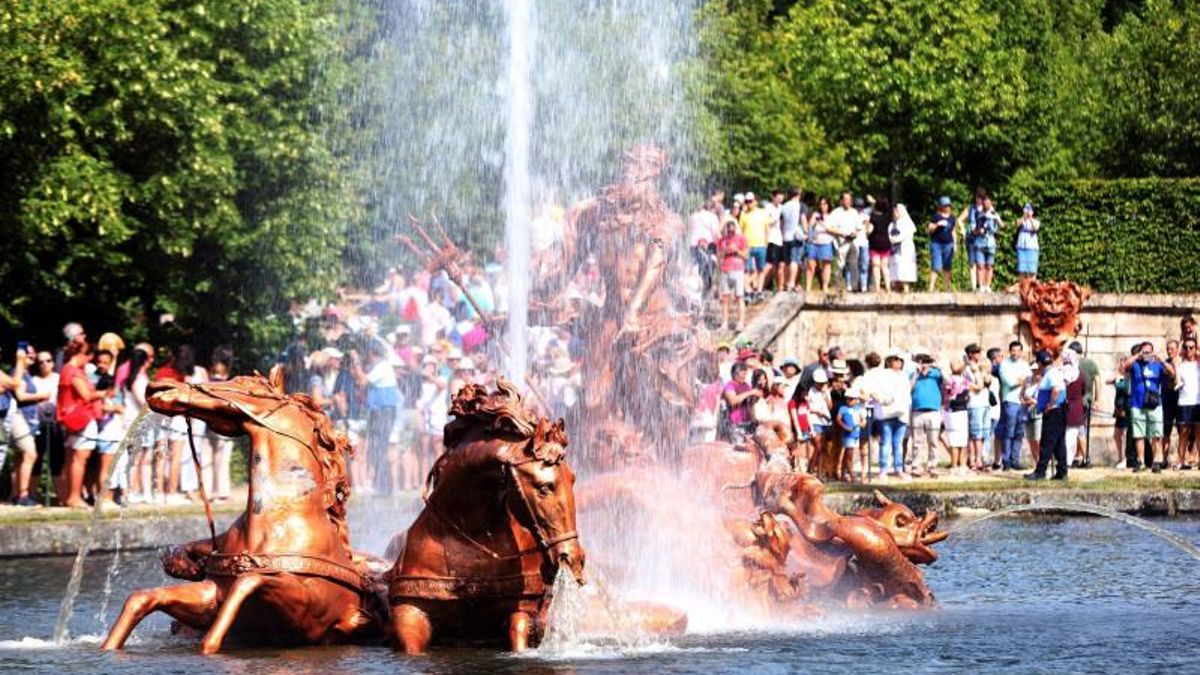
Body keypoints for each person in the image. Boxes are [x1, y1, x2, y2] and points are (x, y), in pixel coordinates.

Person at [58, 341, 107, 508]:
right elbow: (86, 395)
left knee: (70, 458)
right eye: (88, 356)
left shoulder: (64, 369)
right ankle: (74, 497)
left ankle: (65, 497)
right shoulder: (75, 372)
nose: (89, 360)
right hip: (82, 418)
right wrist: (103, 393)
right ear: (82, 354)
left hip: (70, 418)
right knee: (80, 460)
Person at [1120, 341, 1174, 473]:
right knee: (1139, 435)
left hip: (1155, 404)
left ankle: (1156, 461)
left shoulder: (1157, 364)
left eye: (1149, 352)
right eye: (1144, 351)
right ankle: (1141, 462)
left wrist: (1160, 359)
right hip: (1137, 404)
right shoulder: (1135, 364)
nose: (1146, 354)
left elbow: (1171, 372)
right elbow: (1123, 368)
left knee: (1156, 434)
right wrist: (1137, 356)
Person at [9, 344, 50, 506]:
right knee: (30, 453)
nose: (32, 355)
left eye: (34, 352)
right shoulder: (16, 372)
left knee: (21, 457)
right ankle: (23, 495)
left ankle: (15, 494)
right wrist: (42, 396)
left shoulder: (26, 373)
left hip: (27, 420)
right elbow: (20, 395)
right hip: (19, 418)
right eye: (28, 353)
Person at [1026, 350, 1069, 480]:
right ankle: (1062, 471)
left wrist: (1050, 405)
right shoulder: (1054, 372)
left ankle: (1040, 471)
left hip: (1053, 411)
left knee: (1047, 442)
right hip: (1058, 410)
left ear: (1039, 363)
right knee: (1058, 443)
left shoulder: (1051, 374)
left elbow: (1056, 390)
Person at [997, 341, 1031, 470]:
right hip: (1010, 401)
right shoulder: (1004, 365)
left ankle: (1015, 461)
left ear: (1021, 352)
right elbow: (1010, 382)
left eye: (1018, 350)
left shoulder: (1024, 364)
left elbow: (1030, 380)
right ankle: (1006, 461)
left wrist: (1022, 380)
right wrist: (1023, 380)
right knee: (1009, 431)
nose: (1015, 353)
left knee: (1019, 433)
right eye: (1013, 350)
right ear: (1009, 351)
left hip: (1023, 401)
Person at [910, 354, 944, 477]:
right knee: (917, 441)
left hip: (933, 411)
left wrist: (938, 366)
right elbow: (909, 388)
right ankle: (916, 466)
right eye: (921, 361)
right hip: (917, 411)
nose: (923, 364)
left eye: (926, 361)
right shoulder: (915, 375)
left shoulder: (936, 374)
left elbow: (948, 381)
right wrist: (916, 373)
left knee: (933, 441)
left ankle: (932, 467)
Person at [826, 192, 864, 292]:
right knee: (840, 265)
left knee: (854, 265)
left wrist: (854, 234)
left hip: (853, 242)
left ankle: (855, 287)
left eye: (849, 199)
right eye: (846, 199)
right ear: (841, 201)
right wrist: (842, 234)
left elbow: (859, 227)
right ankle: (838, 287)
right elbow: (828, 228)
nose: (848, 201)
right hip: (841, 242)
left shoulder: (854, 212)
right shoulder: (836, 212)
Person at [964, 344, 993, 472]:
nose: (978, 354)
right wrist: (977, 372)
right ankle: (975, 460)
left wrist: (984, 371)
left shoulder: (981, 367)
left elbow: (987, 381)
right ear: (969, 354)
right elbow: (977, 385)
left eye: (979, 352)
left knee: (983, 433)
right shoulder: (968, 368)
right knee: (975, 434)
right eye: (975, 352)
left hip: (984, 402)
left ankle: (979, 458)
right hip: (975, 403)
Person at [1071, 341, 1100, 467]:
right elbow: (1098, 382)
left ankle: (1086, 457)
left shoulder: (1072, 363)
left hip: (1076, 401)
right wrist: (1097, 399)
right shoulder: (1091, 363)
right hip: (1088, 400)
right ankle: (1079, 457)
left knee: (1079, 430)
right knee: (1081, 429)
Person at [716, 219, 748, 331]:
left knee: (739, 296)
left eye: (732, 231)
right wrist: (725, 252)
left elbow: (746, 256)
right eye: (728, 231)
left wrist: (736, 250)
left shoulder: (741, 239)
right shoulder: (722, 241)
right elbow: (719, 255)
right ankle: (725, 323)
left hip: (738, 269)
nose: (730, 233)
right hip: (725, 269)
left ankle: (741, 322)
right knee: (725, 298)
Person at [739, 192, 771, 302]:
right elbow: (741, 232)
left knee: (761, 269)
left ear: (755, 201)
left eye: (750, 201)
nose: (749, 203)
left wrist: (766, 244)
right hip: (747, 246)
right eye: (747, 201)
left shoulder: (763, 213)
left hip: (760, 245)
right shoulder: (743, 214)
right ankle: (747, 291)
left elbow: (767, 230)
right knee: (746, 270)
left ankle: (759, 291)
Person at [944, 358, 971, 475]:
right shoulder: (964, 381)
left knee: (953, 439)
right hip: (961, 411)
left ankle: (954, 465)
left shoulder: (948, 381)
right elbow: (974, 387)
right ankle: (962, 464)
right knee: (962, 439)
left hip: (950, 411)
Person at [688, 201, 720, 298]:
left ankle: (694, 294)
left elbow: (689, 230)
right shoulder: (713, 216)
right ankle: (704, 296)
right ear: (713, 208)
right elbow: (715, 233)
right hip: (708, 245)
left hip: (693, 245)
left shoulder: (693, 216)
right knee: (708, 271)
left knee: (695, 269)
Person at [970, 196, 1002, 292]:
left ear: (991, 204)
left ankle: (987, 285)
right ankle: (981, 286)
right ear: (982, 204)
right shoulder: (978, 215)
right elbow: (973, 230)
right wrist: (979, 231)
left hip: (991, 243)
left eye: (988, 203)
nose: (986, 205)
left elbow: (1002, 225)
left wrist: (995, 217)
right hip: (980, 243)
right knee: (980, 265)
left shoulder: (994, 214)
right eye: (984, 204)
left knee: (989, 265)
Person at [1176, 337, 1199, 469]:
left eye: (1192, 347)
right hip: (1184, 401)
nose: (1189, 350)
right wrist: (1181, 345)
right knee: (1183, 432)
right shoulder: (1180, 364)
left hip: (1198, 401)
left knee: (1198, 432)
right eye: (1187, 347)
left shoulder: (1199, 363)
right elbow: (1176, 358)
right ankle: (1181, 460)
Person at [779, 188, 808, 292]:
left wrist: (783, 235)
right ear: (799, 194)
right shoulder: (800, 205)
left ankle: (787, 283)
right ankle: (792, 283)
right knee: (794, 260)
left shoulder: (784, 206)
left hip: (786, 236)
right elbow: (803, 219)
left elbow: (781, 223)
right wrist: (806, 232)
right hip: (796, 237)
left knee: (787, 261)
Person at [805, 197, 835, 293]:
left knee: (826, 264)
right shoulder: (815, 214)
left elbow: (832, 229)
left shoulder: (832, 216)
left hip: (826, 242)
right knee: (811, 265)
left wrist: (822, 224)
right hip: (814, 242)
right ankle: (808, 287)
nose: (823, 206)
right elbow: (810, 228)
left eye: (825, 204)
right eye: (821, 204)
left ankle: (825, 286)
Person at [838, 388, 867, 482]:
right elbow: (838, 419)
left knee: (849, 454)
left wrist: (862, 423)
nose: (849, 401)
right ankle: (851, 474)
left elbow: (863, 420)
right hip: (847, 435)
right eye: (848, 399)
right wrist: (844, 426)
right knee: (849, 454)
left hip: (856, 434)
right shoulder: (843, 409)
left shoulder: (858, 409)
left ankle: (843, 474)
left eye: (851, 399)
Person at [927, 197, 957, 292]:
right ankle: (931, 288)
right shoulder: (936, 216)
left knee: (947, 267)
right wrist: (937, 225)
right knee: (936, 266)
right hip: (936, 244)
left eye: (948, 205)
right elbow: (930, 229)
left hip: (948, 244)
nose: (947, 207)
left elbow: (953, 231)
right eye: (945, 206)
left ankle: (947, 288)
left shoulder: (952, 218)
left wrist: (955, 244)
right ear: (941, 206)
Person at [888, 204, 917, 292]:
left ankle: (906, 288)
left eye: (897, 211)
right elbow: (890, 236)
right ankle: (896, 287)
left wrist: (897, 239)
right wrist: (894, 239)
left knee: (905, 268)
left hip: (906, 249)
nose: (895, 213)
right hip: (895, 250)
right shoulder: (892, 224)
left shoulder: (907, 223)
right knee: (895, 268)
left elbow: (907, 234)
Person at [867, 196, 892, 293]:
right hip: (886, 243)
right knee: (885, 267)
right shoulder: (887, 217)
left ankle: (877, 288)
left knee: (876, 266)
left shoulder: (873, 217)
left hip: (875, 244)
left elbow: (869, 229)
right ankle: (888, 288)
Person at [765, 190, 785, 293]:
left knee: (781, 264)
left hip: (781, 239)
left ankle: (780, 288)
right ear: (773, 197)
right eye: (777, 197)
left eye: (781, 198)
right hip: (772, 239)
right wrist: (777, 218)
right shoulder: (768, 207)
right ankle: (761, 285)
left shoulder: (782, 208)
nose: (779, 199)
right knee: (771, 264)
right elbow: (767, 222)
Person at [1015, 203, 1041, 280]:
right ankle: (1023, 288)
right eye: (1026, 209)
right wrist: (1024, 216)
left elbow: (1035, 228)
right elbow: (1017, 224)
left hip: (1032, 248)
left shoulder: (1036, 221)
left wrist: (1030, 218)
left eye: (1030, 210)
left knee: (1032, 270)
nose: (1028, 211)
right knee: (1022, 270)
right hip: (1021, 247)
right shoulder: (1021, 220)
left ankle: (1031, 287)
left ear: (1033, 212)